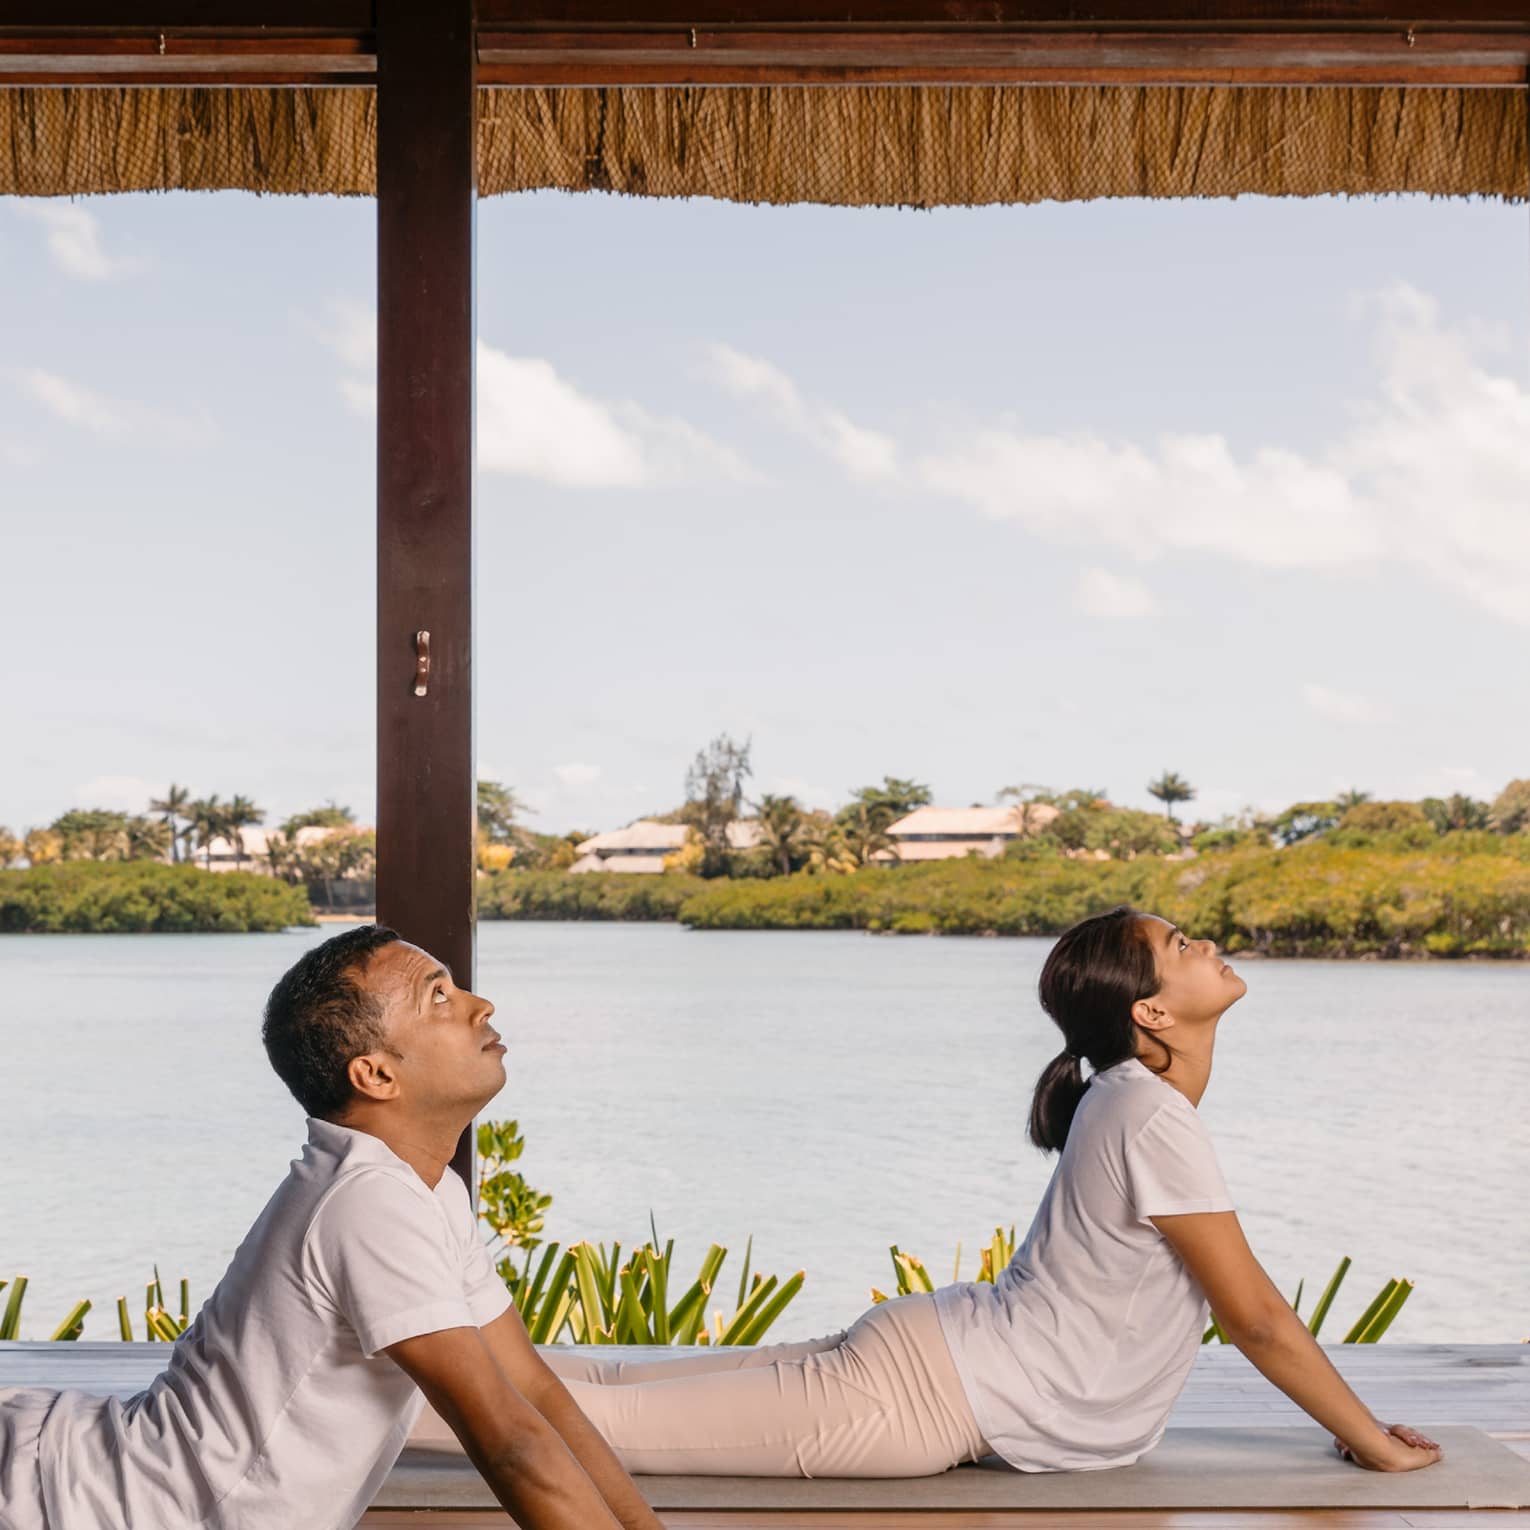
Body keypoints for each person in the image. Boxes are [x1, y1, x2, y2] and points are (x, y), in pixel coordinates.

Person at [439, 906, 1443, 1480]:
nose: (1206, 944)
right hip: (932, 1395)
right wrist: (1368, 1445)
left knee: (608, 1389)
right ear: (1149, 1008)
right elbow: (1256, 1316)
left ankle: (379, 1368)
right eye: (1180, 945)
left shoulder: (1126, 1098)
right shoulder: (1148, 1113)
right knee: (592, 1427)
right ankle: (349, 1399)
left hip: (943, 1363)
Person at [0, 925, 664, 1530]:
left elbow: (532, 1392)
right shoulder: (367, 1200)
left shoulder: (426, 1189)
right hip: (56, 1503)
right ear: (375, 1074)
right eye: (438, 998)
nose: (479, 1005)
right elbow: (508, 1443)